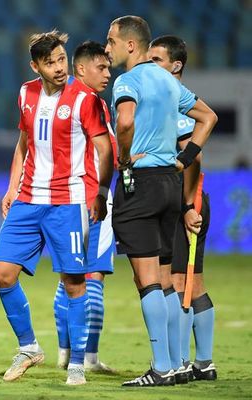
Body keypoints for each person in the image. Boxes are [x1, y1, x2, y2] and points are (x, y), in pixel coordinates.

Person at [0, 30, 113, 386]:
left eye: (62, 59)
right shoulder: (25, 94)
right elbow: (23, 143)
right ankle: (29, 346)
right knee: (2, 274)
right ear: (35, 66)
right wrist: (12, 187)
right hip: (29, 198)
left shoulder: (85, 99)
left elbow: (105, 150)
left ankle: (76, 364)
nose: (60, 68)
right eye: (51, 62)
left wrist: (101, 192)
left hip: (69, 201)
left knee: (74, 283)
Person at [105, 15, 217, 387]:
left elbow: (124, 122)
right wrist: (183, 161)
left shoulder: (128, 80)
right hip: (171, 184)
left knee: (147, 279)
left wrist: (123, 158)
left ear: (130, 45)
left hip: (141, 183)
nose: (108, 49)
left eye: (112, 41)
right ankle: (179, 364)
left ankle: (162, 367)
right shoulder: (169, 81)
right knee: (168, 277)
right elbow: (208, 117)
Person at [149, 35, 217, 383]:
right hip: (187, 199)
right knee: (194, 281)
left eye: (157, 59)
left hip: (183, 202)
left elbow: (193, 155)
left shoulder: (174, 100)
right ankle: (203, 362)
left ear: (175, 66)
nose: (151, 65)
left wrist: (189, 204)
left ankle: (177, 363)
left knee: (175, 281)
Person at [53, 40, 117, 374]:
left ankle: (65, 353)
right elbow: (109, 153)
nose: (108, 73)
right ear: (81, 68)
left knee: (68, 278)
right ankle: (88, 357)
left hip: (63, 200)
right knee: (92, 278)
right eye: (101, 67)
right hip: (93, 198)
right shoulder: (92, 102)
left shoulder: (59, 98)